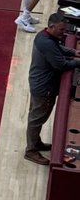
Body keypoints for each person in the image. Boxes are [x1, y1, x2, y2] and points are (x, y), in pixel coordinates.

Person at [24, 13, 80, 165]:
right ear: (52, 26)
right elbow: (61, 65)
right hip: (44, 88)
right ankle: (30, 151)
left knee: (37, 116)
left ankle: (36, 143)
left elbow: (58, 49)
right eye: (61, 30)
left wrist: (73, 52)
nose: (64, 32)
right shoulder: (47, 43)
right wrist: (78, 62)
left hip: (40, 84)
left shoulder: (44, 36)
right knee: (37, 119)